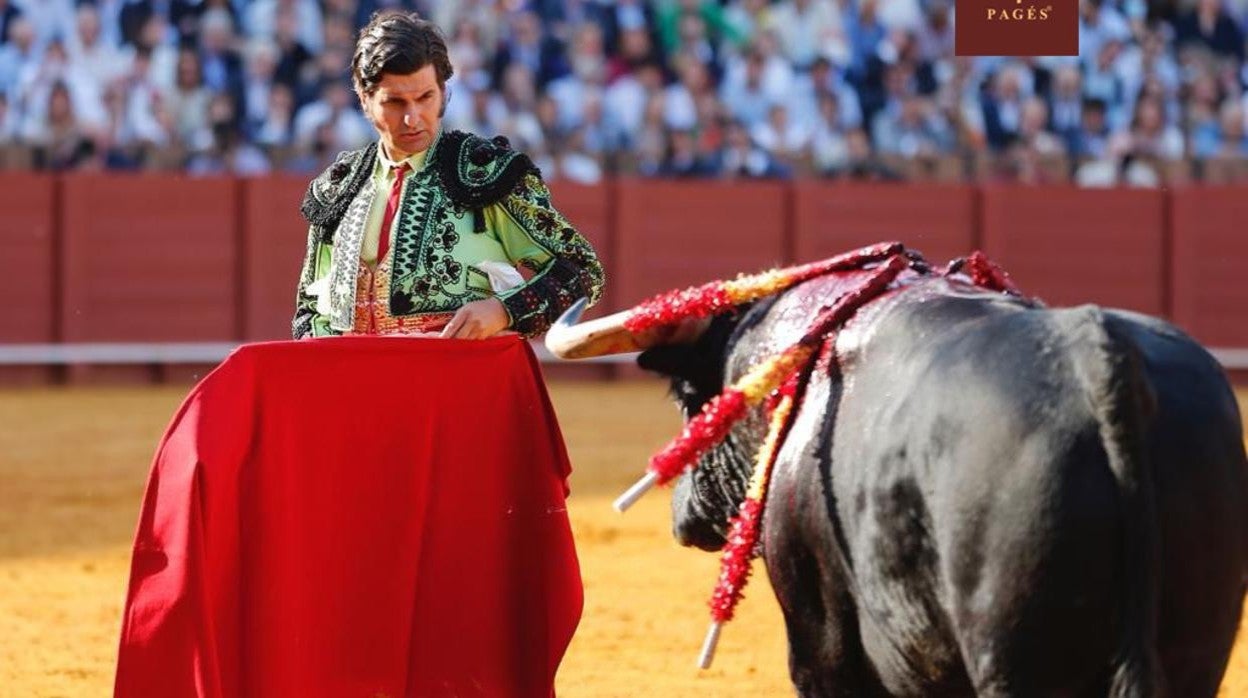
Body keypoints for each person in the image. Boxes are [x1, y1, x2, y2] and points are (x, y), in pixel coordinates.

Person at [293, 10, 604, 340]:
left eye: (425, 97)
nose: (413, 118)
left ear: (442, 92)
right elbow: (309, 310)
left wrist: (504, 311)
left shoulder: (484, 172)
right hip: (358, 387)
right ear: (365, 98)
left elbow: (583, 271)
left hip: (460, 385)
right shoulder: (340, 188)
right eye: (394, 102)